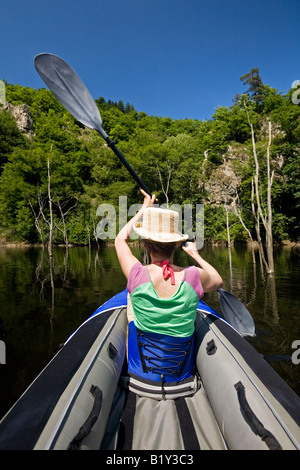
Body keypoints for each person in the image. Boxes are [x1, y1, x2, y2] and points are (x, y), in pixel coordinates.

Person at [115, 189, 223, 398]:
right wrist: (195, 255)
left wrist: (143, 210)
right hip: (183, 381)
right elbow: (217, 281)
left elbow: (120, 240)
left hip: (139, 381)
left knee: (131, 310)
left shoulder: (136, 274)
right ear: (176, 244)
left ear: (145, 244)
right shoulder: (194, 276)